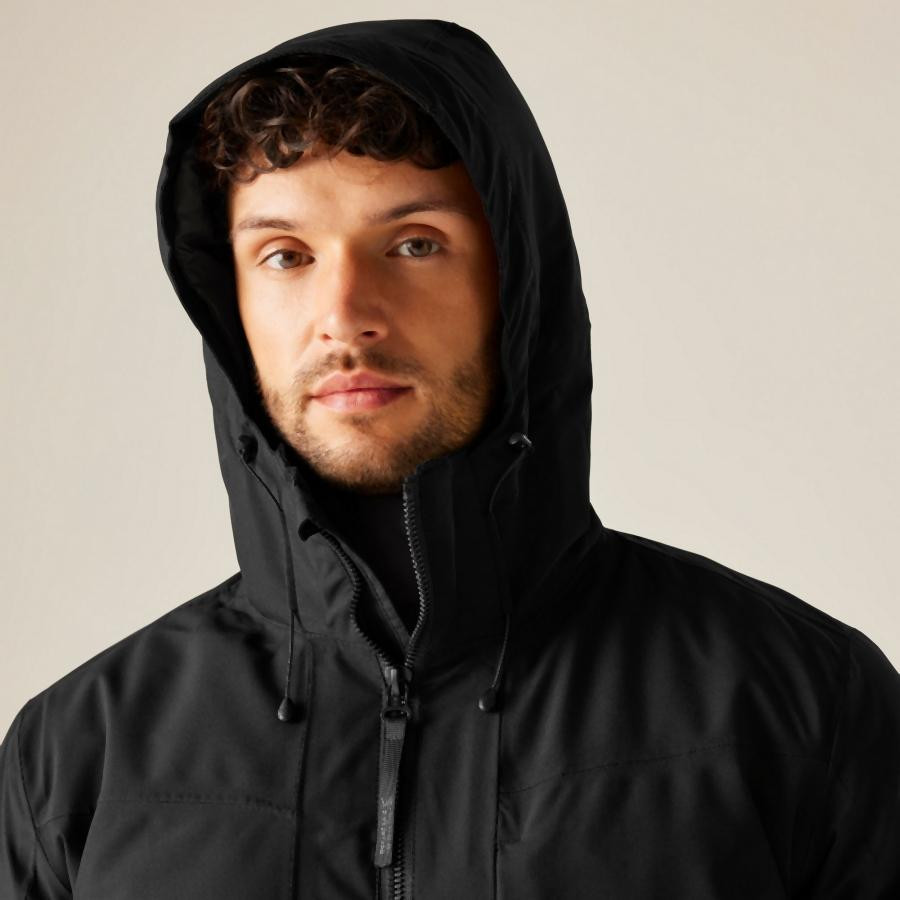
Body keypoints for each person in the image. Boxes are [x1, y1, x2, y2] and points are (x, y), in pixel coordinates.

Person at [2, 17, 899, 899]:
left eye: (414, 244)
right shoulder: (75, 759)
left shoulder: (799, 706)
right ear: (228, 300)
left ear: (515, 283)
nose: (345, 314)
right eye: (285, 255)